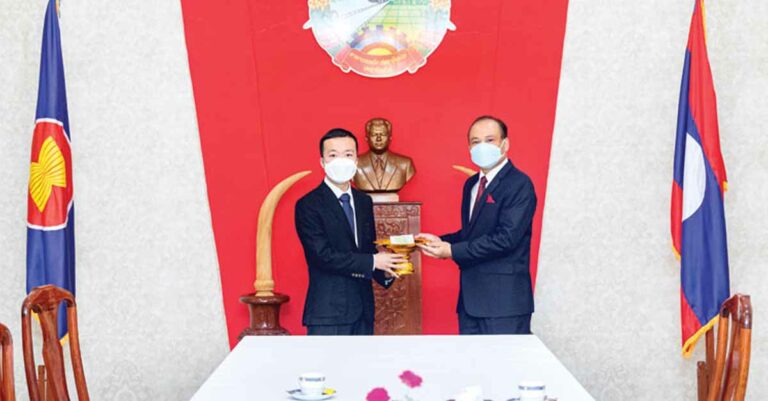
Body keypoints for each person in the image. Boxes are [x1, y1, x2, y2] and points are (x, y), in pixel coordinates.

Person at [418, 116, 537, 335]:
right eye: (475, 141)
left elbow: (506, 239)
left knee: (502, 368)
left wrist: (452, 251)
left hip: (504, 305)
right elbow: (473, 234)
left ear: (505, 144)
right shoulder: (472, 184)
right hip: (470, 303)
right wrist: (441, 241)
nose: (482, 146)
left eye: (489, 140)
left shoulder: (519, 184)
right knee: (471, 367)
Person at [295, 128, 404, 335]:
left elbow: (366, 250)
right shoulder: (308, 205)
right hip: (328, 314)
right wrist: (374, 261)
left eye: (348, 154)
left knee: (362, 368)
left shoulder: (363, 202)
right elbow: (322, 256)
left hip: (363, 311)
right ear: (322, 162)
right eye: (333, 155)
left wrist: (388, 269)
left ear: (356, 160)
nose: (341, 161)